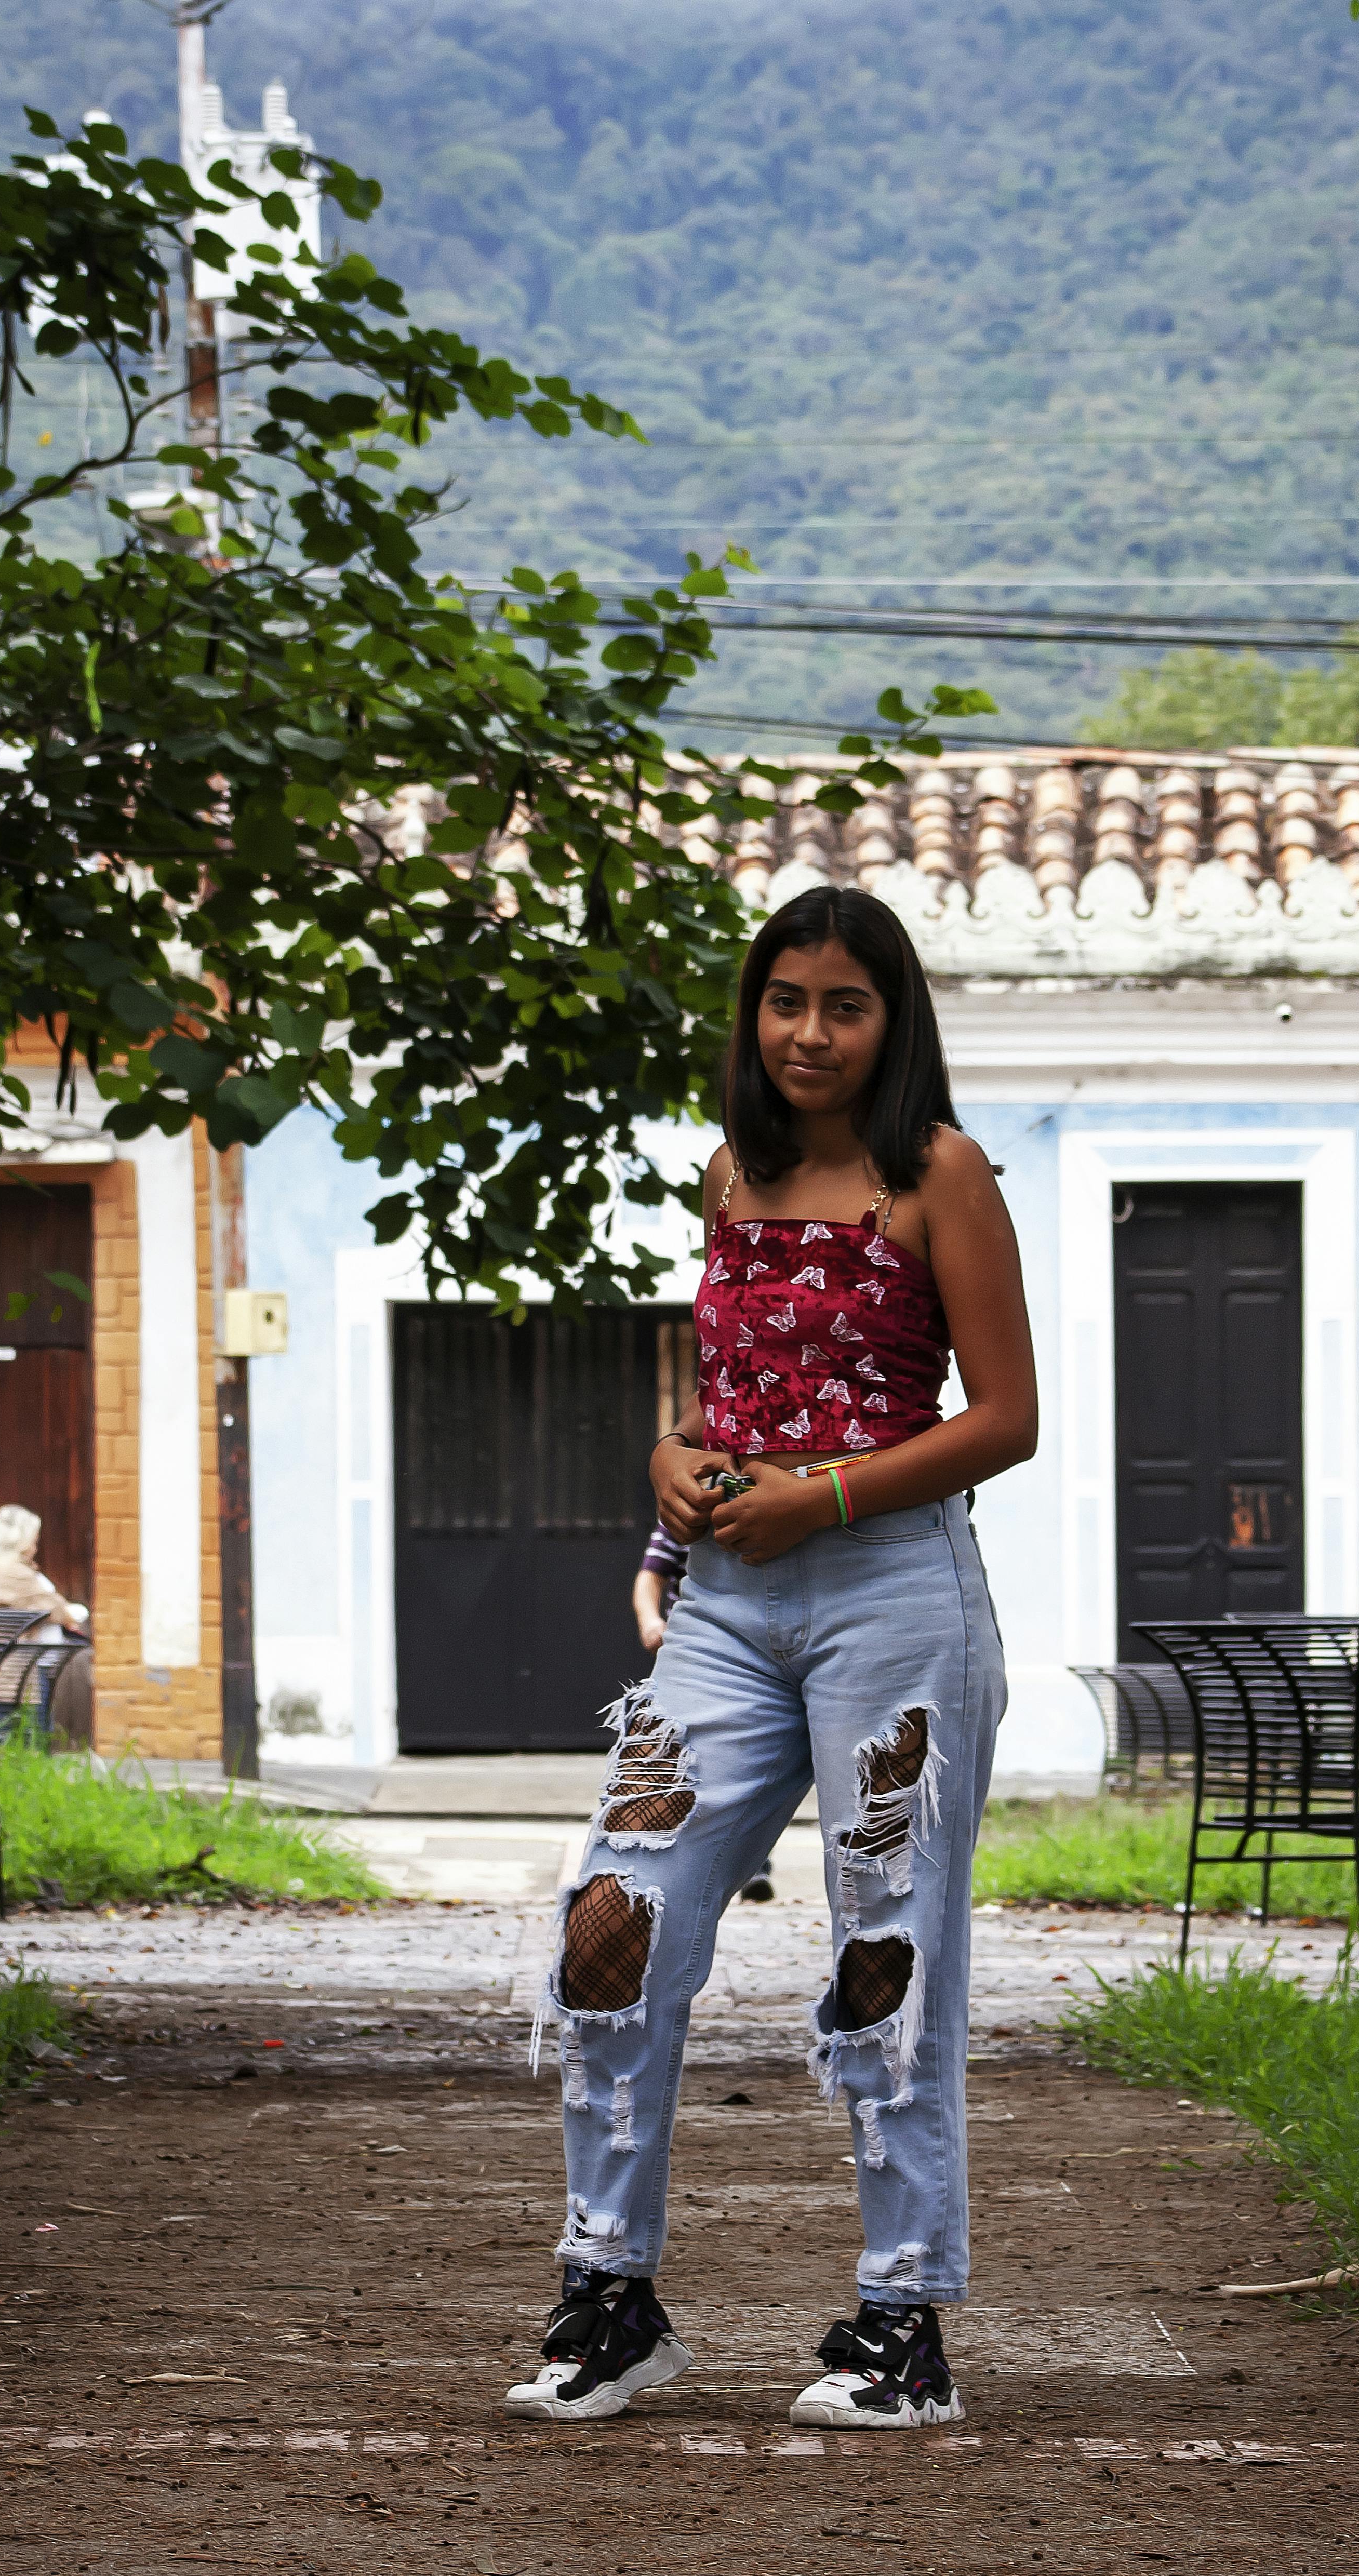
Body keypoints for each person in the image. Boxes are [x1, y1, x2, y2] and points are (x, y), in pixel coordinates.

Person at [510, 883, 1038, 2431]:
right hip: (731, 1608)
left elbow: (1005, 1420)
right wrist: (673, 1478)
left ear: (894, 1021)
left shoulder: (937, 1173)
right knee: (613, 1913)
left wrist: (825, 1496)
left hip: (893, 1601)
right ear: (754, 1013)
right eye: (785, 1001)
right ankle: (610, 2294)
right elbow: (728, 1386)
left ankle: (899, 2324)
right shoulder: (730, 1174)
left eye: (844, 1005)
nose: (809, 1032)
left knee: (887, 1948)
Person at [632, 1518, 777, 1901]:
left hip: (759, 1650)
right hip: (697, 1652)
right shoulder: (686, 1516)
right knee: (681, 1756)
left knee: (754, 1760)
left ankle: (753, 1865)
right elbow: (650, 1576)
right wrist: (651, 1622)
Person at [0, 1504, 91, 1737]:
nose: (35, 1548)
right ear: (20, 1540)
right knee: (28, 1736)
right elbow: (53, 1609)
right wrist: (66, 1613)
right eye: (33, 1541)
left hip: (13, 1665)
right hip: (19, 1669)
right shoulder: (11, 1572)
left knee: (12, 1734)